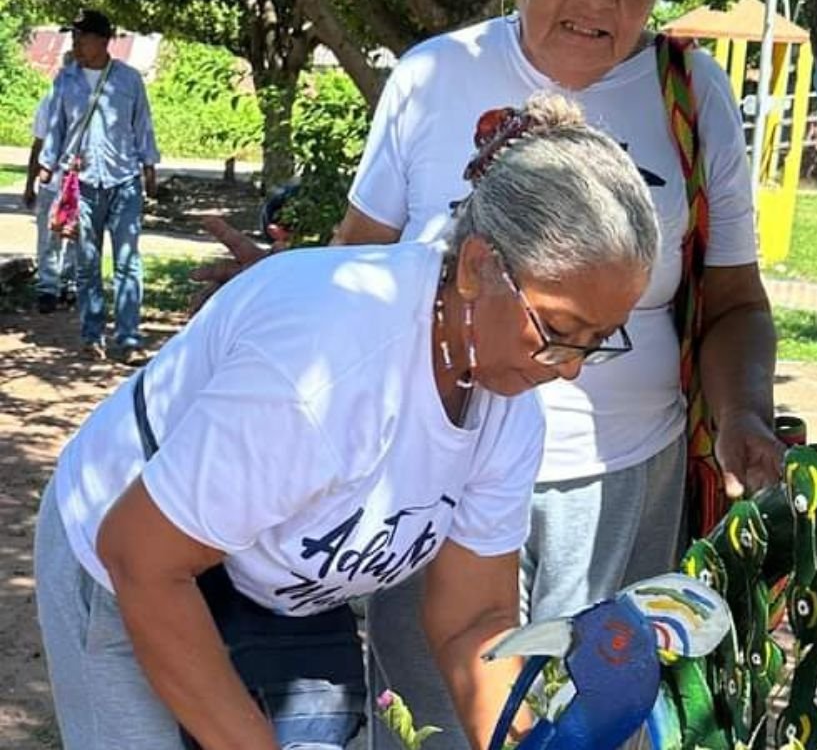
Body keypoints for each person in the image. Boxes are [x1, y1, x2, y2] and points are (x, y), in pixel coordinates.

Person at [193, 0, 783, 744]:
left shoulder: (690, 94)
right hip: (433, 476)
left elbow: (736, 300)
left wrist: (744, 413)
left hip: (622, 485)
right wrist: (283, 297)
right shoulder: (435, 76)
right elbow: (357, 262)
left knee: (597, 716)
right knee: (436, 714)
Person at [34, 94, 659, 750]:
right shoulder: (326, 372)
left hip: (267, 586)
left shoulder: (507, 403)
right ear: (478, 267)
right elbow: (144, 559)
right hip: (130, 559)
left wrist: (525, 743)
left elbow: (474, 618)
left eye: (597, 339)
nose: (569, 369)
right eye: (558, 330)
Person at [38, 9, 160, 363]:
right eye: (73, 37)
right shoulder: (65, 79)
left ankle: (129, 338)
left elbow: (143, 125)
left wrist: (149, 168)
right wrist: (47, 168)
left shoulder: (128, 80)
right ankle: (92, 335)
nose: (75, 43)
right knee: (87, 263)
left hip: (123, 181)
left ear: (104, 41)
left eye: (81, 37)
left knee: (127, 262)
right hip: (82, 184)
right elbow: (56, 126)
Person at [24, 75, 78, 314]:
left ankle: (70, 285)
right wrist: (30, 182)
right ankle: (48, 288)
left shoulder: (94, 102)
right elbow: (39, 143)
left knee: (77, 235)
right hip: (53, 181)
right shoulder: (50, 101)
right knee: (49, 237)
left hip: (81, 181)